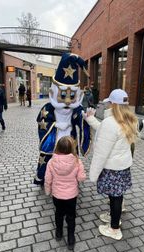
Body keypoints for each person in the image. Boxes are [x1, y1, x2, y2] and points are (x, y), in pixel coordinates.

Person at [84, 89, 138, 240]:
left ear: (113, 104)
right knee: (117, 196)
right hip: (122, 167)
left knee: (115, 197)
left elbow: (101, 152)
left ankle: (114, 228)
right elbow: (105, 130)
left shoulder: (110, 122)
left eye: (109, 102)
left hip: (112, 169)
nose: (107, 105)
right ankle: (115, 217)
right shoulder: (129, 119)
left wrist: (93, 174)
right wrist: (90, 119)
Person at [34, 53, 91, 186]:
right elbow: (43, 124)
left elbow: (82, 122)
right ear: (53, 92)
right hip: (54, 141)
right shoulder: (48, 108)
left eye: (71, 96)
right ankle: (46, 179)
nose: (67, 101)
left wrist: (87, 119)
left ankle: (70, 179)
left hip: (70, 141)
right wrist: (56, 125)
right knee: (48, 160)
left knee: (70, 161)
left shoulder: (76, 109)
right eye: (63, 95)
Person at [45, 136, 86, 250]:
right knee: (71, 216)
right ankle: (71, 239)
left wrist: (48, 191)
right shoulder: (77, 161)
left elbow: (48, 179)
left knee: (58, 213)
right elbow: (81, 178)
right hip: (71, 196)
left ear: (57, 147)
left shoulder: (51, 162)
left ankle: (58, 233)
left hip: (57, 195)